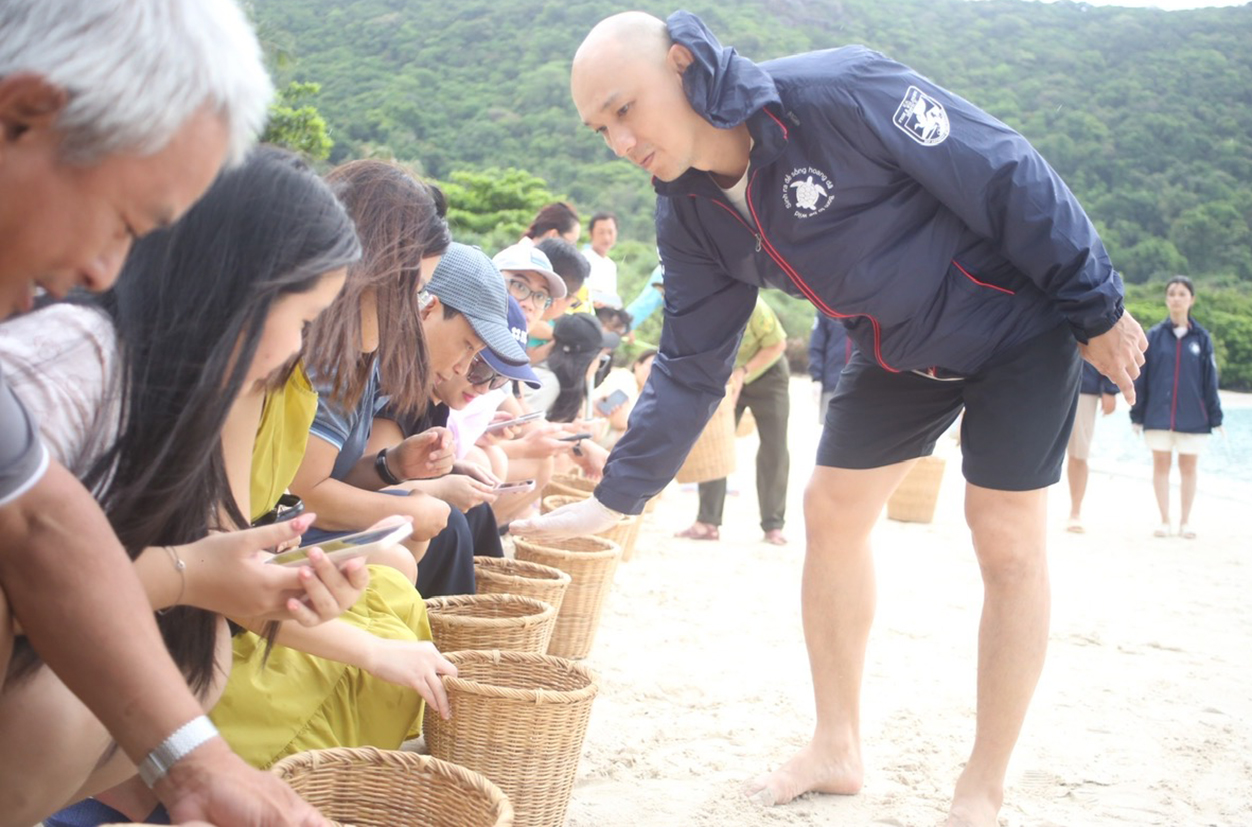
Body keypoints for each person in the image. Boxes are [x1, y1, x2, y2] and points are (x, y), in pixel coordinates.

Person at [516, 12, 1149, 827]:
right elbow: (691, 362)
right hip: (894, 350)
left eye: (624, 109)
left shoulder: (840, 92)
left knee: (1005, 534)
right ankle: (837, 745)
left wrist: (1095, 304)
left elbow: (1004, 170)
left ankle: (981, 788)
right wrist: (617, 495)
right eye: (601, 127)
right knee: (830, 509)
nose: (620, 141)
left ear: (682, 64)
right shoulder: (689, 211)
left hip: (1015, 322)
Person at [0, 1, 336, 824]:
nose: (103, 270)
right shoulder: (68, 352)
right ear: (23, 115)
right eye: (123, 223)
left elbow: (39, 514)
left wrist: (194, 764)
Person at [675, 296, 790, 545]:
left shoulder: (754, 305)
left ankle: (773, 525)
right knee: (715, 443)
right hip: (725, 377)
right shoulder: (697, 308)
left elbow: (778, 344)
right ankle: (707, 522)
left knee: (774, 447)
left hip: (768, 375)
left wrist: (743, 372)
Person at [1130, 276, 1223, 540]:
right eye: (1171, 293)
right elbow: (1142, 377)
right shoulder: (1155, 336)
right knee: (1160, 466)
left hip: (1194, 418)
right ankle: (1164, 520)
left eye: (1182, 294)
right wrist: (1137, 414)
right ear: (1166, 299)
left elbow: (1210, 381)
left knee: (1188, 468)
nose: (1176, 298)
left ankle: (1185, 522)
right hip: (1157, 416)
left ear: (1191, 299)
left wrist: (1215, 418)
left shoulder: (1202, 339)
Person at [1065, 363, 1119, 533]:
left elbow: (1108, 339)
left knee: (1079, 453)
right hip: (1045, 381)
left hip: (1084, 384)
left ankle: (1075, 512)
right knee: (1036, 453)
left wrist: (1110, 388)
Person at [808, 314, 853, 423]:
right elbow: (816, 345)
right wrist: (816, 378)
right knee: (831, 429)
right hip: (832, 382)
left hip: (863, 382)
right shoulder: (825, 305)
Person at [581, 212, 621, 308]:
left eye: (610, 232)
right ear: (591, 233)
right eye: (601, 232)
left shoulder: (611, 265)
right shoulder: (583, 259)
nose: (606, 238)